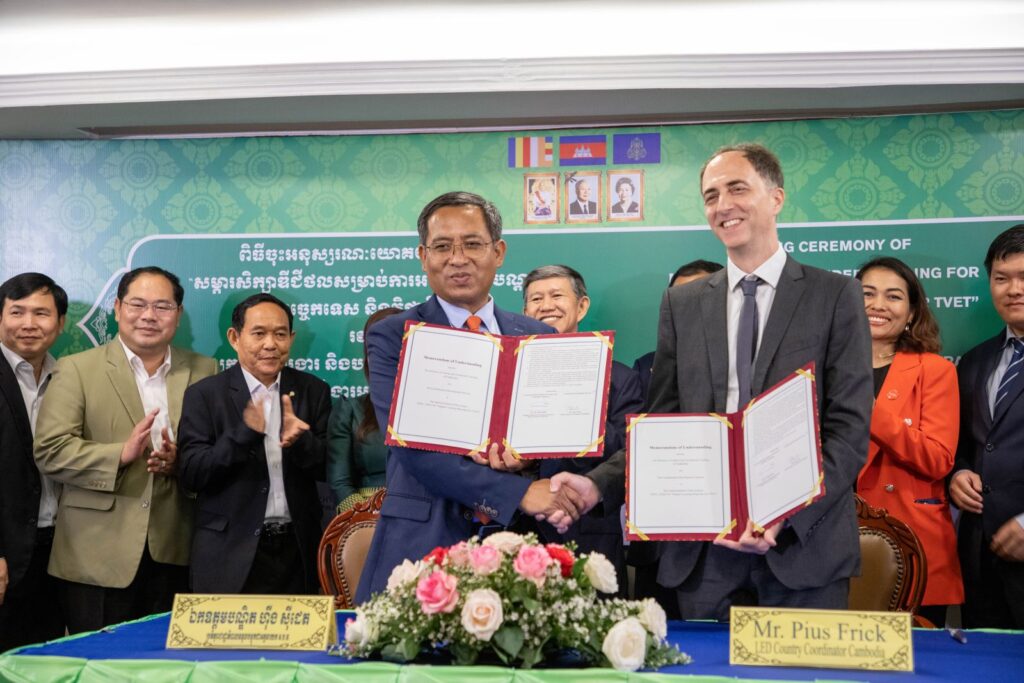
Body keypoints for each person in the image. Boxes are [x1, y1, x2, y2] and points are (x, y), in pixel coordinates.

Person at [548, 143, 873, 619]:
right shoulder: (683, 304)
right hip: (703, 554)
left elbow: (847, 426)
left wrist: (787, 510)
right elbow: (662, 422)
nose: (723, 205)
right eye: (711, 195)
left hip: (803, 549)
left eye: (737, 189)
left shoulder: (834, 294)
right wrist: (597, 484)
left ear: (776, 197)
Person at [354, 191, 586, 603]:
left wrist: (531, 464)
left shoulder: (540, 336)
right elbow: (409, 446)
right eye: (443, 246)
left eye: (473, 244)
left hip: (523, 545)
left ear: (498, 252)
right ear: (424, 256)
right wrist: (516, 493)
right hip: (423, 543)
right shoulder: (393, 335)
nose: (457, 258)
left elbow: (558, 438)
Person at [34, 266, 217, 634]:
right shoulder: (76, 369)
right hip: (96, 555)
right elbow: (50, 450)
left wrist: (179, 463)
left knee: (166, 667)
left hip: (175, 550)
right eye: (138, 304)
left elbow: (214, 452)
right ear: (117, 308)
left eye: (162, 306)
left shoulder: (204, 369)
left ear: (178, 315)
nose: (149, 316)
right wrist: (120, 454)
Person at [177, 293, 331, 595]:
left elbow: (329, 467)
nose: (270, 344)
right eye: (259, 333)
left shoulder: (313, 390)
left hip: (298, 550)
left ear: (292, 338)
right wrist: (244, 433)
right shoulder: (205, 395)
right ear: (235, 338)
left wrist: (300, 441)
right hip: (229, 551)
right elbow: (192, 474)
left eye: (280, 334)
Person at [522, 264, 643, 595]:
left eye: (557, 295)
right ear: (525, 310)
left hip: (592, 530)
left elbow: (630, 447)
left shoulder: (621, 378)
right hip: (520, 529)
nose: (546, 305)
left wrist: (573, 416)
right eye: (536, 298)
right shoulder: (511, 371)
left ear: (582, 306)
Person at [854, 256, 962, 626]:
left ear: (912, 311)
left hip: (911, 546)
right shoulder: (820, 367)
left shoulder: (935, 370)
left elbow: (938, 458)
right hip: (832, 542)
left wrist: (871, 414)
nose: (878, 305)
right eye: (866, 293)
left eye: (893, 296)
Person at [950, 224, 1024, 629]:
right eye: (1001, 278)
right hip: (980, 558)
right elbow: (965, 443)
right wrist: (958, 471)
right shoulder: (975, 360)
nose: (1013, 289)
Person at [0, 273, 67, 651]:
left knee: (47, 658)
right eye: (16, 312)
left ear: (60, 323)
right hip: (7, 553)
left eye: (41, 313)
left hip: (59, 551)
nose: (28, 324)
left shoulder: (68, 376)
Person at [327, 307, 401, 513]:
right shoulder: (350, 409)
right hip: (368, 522)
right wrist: (367, 518)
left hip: (428, 520)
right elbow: (339, 483)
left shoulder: (435, 410)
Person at [633, 259, 724, 400]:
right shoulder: (646, 367)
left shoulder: (741, 361)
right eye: (680, 299)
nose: (688, 308)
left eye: (698, 298)